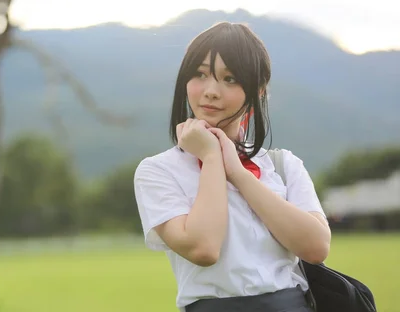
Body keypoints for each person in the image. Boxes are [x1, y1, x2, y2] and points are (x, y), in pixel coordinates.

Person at [133, 22, 331, 312]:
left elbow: (315, 248)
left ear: (258, 91)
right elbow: (204, 248)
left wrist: (237, 173)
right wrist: (212, 158)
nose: (211, 91)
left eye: (230, 79)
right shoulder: (159, 171)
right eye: (200, 74)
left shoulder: (283, 165)